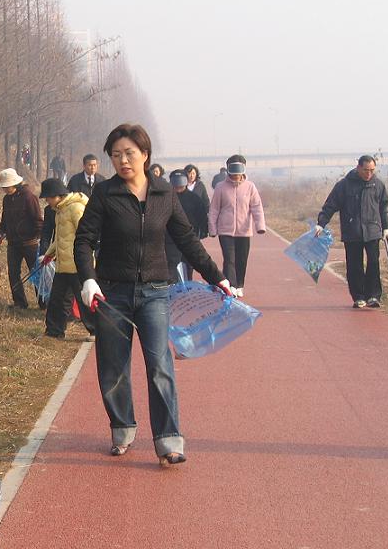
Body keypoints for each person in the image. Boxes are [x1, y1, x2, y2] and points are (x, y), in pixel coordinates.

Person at [74, 123, 230, 466]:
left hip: (156, 293)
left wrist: (217, 277)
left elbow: (187, 239)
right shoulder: (105, 194)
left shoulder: (164, 193)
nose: (122, 161)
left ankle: (169, 439)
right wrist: (88, 279)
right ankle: (123, 427)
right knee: (113, 367)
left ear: (145, 154)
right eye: (116, 155)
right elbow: (84, 240)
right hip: (112, 294)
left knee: (160, 365)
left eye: (129, 153)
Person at [315, 155, 388, 308]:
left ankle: (373, 296)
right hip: (352, 231)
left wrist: (386, 227)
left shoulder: (378, 185)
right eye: (365, 170)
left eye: (372, 170)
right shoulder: (344, 185)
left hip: (373, 230)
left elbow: (383, 208)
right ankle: (358, 296)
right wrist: (321, 224)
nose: (369, 174)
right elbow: (330, 205)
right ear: (358, 168)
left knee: (373, 263)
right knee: (354, 265)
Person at [38, 178, 95, 339]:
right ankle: (54, 331)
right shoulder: (59, 211)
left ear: (56, 195)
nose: (47, 201)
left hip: (78, 265)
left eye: (48, 198)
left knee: (85, 300)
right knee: (57, 300)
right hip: (63, 265)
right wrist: (48, 255)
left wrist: (85, 260)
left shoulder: (76, 208)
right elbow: (59, 239)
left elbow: (85, 236)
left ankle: (96, 330)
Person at [208, 154, 266, 298]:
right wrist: (212, 229)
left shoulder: (250, 187)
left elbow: (256, 207)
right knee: (229, 259)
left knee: (241, 259)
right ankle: (231, 285)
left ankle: (240, 284)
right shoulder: (221, 187)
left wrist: (260, 226)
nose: (236, 174)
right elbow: (214, 209)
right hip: (225, 230)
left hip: (244, 231)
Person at [0, 168, 44, 309]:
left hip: (30, 243)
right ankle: (20, 302)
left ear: (15, 184)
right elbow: (4, 219)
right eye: (3, 187)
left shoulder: (29, 197)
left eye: (7, 186)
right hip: (13, 243)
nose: (5, 189)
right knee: (13, 273)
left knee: (36, 274)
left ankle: (44, 303)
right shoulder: (7, 199)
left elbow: (38, 220)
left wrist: (40, 239)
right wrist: (0, 233)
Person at [165, 169, 209, 282]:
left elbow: (202, 216)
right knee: (171, 264)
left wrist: (204, 230)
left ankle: (188, 284)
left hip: (189, 236)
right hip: (169, 238)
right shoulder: (165, 198)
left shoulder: (194, 199)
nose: (178, 186)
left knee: (189, 263)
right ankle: (173, 286)